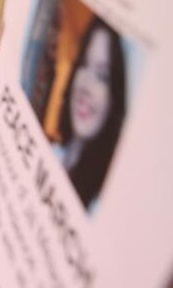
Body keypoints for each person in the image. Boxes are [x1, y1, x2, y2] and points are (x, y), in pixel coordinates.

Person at [57, 18, 126, 209]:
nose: (86, 86)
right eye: (84, 64)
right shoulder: (53, 154)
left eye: (102, 76)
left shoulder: (98, 206)